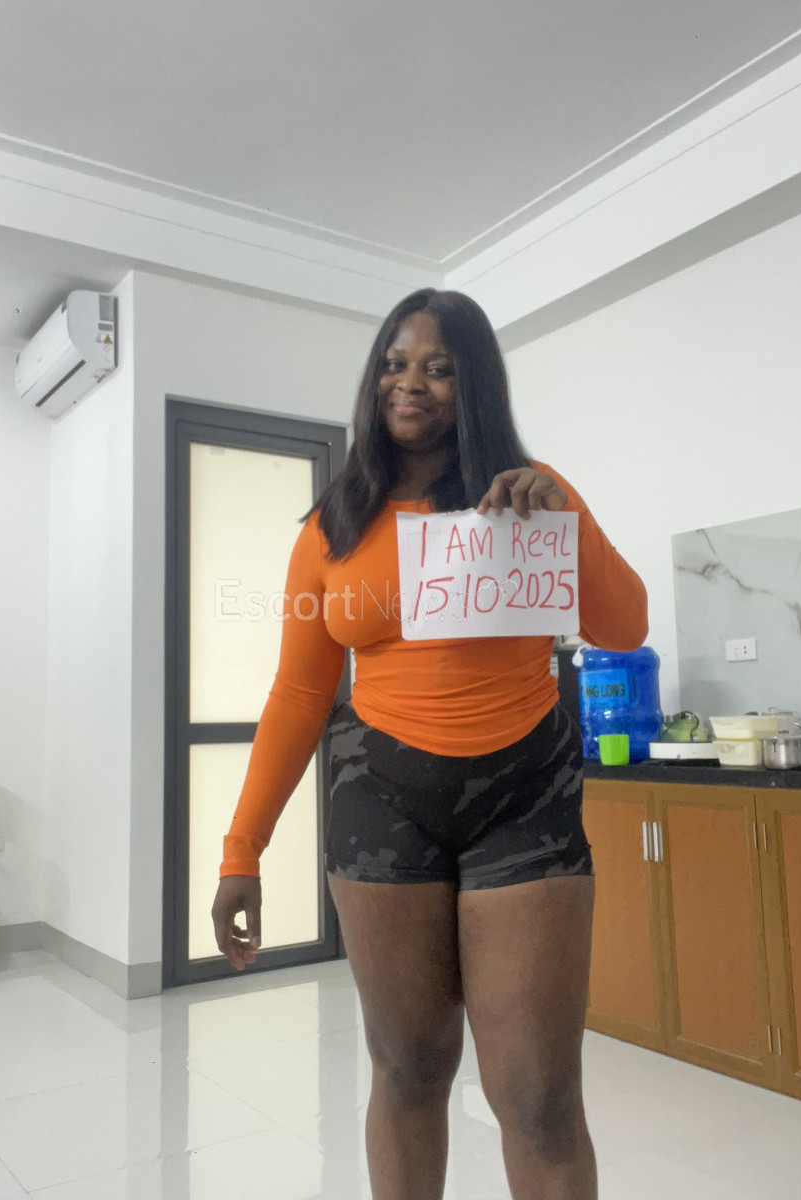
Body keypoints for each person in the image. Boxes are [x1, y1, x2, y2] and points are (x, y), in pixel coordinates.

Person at [212, 288, 647, 1200]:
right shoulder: (332, 524)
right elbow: (299, 694)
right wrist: (242, 849)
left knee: (539, 1098)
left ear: (474, 384)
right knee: (408, 1069)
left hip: (523, 798)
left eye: (440, 368)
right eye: (395, 363)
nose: (410, 383)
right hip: (382, 798)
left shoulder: (531, 495)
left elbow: (625, 626)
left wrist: (562, 521)